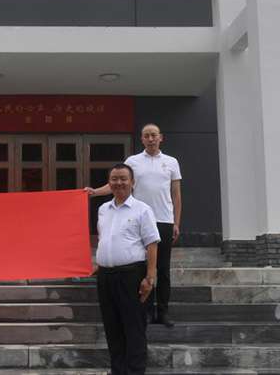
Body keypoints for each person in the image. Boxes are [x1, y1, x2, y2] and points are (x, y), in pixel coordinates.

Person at [86, 123, 182, 327]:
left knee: (162, 269)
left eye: (154, 135)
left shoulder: (171, 162)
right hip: (138, 220)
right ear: (142, 139)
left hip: (163, 220)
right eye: (146, 136)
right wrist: (94, 192)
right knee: (143, 268)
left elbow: (176, 194)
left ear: (161, 137)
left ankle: (162, 311)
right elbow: (117, 183)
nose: (150, 139)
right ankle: (146, 310)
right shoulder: (133, 161)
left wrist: (176, 222)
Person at [95, 163, 160, 375]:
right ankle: (118, 371)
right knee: (112, 328)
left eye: (123, 178)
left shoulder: (142, 209)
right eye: (114, 179)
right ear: (109, 182)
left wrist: (150, 278)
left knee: (134, 328)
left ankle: (135, 371)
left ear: (132, 182)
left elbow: (152, 244)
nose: (119, 183)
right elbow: (105, 239)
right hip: (106, 277)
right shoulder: (103, 210)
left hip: (132, 276)